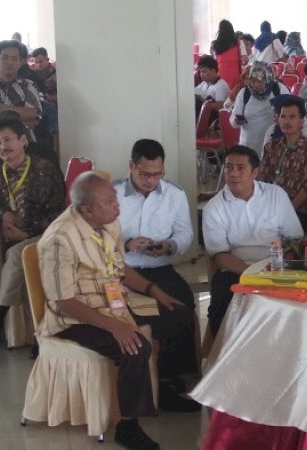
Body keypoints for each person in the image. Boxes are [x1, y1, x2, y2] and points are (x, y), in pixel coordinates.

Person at [38, 172, 183, 450]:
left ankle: (163, 391)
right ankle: (128, 426)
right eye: (109, 201)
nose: (117, 205)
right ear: (87, 209)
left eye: (115, 198)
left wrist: (153, 289)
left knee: (177, 314)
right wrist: (115, 326)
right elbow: (63, 301)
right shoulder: (60, 239)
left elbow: (119, 269)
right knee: (136, 346)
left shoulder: (109, 223)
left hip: (112, 302)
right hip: (74, 317)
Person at [113, 140, 200, 408]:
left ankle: (173, 374)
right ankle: (155, 381)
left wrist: (169, 246)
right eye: (145, 174)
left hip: (157, 266)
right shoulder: (112, 194)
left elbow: (185, 233)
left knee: (182, 302)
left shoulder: (174, 193)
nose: (152, 180)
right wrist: (126, 244)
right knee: (148, 312)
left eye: (157, 174)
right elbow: (98, 237)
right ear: (131, 166)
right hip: (121, 269)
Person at [0, 118, 65, 348]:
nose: (3, 147)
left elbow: (57, 214)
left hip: (44, 234)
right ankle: (40, 334)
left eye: (7, 140)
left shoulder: (45, 171)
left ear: (23, 140)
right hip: (12, 234)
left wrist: (25, 235)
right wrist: (4, 212)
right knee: (12, 261)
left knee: (16, 256)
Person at [202, 145, 303, 335]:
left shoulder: (275, 195)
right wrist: (254, 274)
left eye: (241, 168)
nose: (233, 173)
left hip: (279, 266)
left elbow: (294, 239)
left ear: (255, 172)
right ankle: (225, 356)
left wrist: (280, 268)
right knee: (221, 303)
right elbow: (221, 256)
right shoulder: (214, 208)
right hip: (239, 269)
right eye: (229, 167)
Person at [258, 95, 307, 223]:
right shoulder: (271, 147)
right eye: (283, 116)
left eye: (292, 117)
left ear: (301, 121)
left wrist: (286, 210)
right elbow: (262, 180)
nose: (287, 121)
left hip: (296, 209)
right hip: (269, 205)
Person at [230, 61, 290, 157]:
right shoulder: (245, 93)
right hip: (248, 145)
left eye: (260, 81)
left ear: (268, 78)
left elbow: (290, 111)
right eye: (253, 81)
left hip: (272, 144)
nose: (256, 85)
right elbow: (233, 119)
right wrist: (236, 121)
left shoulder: (279, 90)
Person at [211, 19, 242, 90]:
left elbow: (214, 61)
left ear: (220, 31)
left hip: (221, 75)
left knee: (222, 96)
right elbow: (245, 59)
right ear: (231, 29)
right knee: (234, 96)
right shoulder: (238, 43)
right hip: (235, 75)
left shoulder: (215, 44)